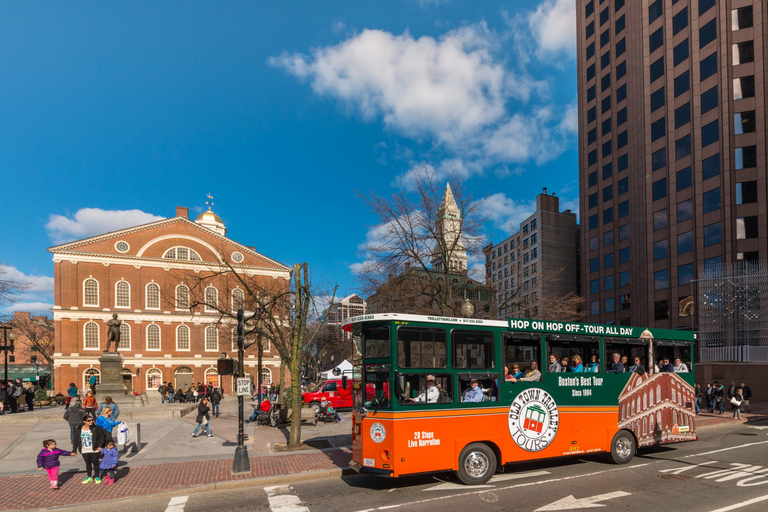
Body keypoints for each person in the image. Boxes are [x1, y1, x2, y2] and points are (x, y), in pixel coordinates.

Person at [73, 416, 112, 484]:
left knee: (95, 462)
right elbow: (76, 440)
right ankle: (89, 476)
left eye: (92, 420)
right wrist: (74, 450)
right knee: (88, 463)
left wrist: (99, 446)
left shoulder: (96, 428)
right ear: (84, 422)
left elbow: (102, 437)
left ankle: (97, 476)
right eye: (89, 420)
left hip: (94, 449)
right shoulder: (79, 429)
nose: (91, 421)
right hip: (84, 449)